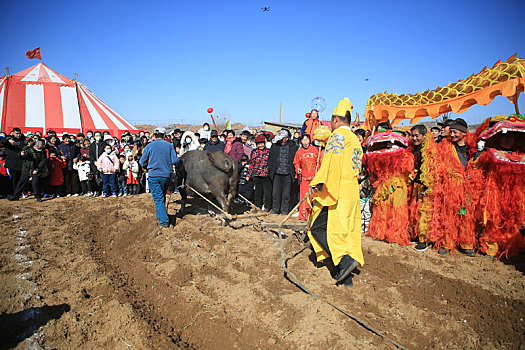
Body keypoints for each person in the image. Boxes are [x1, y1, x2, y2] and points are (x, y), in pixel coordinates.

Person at [307, 97, 363, 286]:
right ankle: (345, 275)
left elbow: (331, 163)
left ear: (336, 120)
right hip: (351, 191)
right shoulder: (355, 139)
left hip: (336, 190)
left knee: (318, 228)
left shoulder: (338, 136)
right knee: (342, 230)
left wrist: (319, 183)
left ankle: (344, 261)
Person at [427, 118, 476, 256]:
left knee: (466, 215)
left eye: (455, 132)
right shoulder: (445, 145)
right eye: (451, 132)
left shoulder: (472, 147)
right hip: (450, 187)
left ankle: (467, 244)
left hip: (467, 188)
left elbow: (478, 165)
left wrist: (472, 174)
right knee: (449, 216)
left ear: (464, 132)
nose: (452, 135)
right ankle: (447, 243)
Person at [139, 127, 179, 228]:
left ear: (154, 136)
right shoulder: (169, 146)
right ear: (164, 135)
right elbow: (175, 160)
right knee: (162, 196)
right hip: (166, 175)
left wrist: (146, 168)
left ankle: (164, 221)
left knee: (158, 198)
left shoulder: (149, 146)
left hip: (154, 175)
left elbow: (142, 161)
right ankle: (160, 215)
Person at [268, 129, 298, 215]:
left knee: (286, 195)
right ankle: (275, 209)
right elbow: (270, 159)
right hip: (277, 173)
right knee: (275, 193)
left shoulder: (293, 147)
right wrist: (271, 171)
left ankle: (284, 210)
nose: (281, 140)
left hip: (288, 174)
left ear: (286, 138)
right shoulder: (275, 146)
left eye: (282, 138)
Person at [293, 134, 319, 221]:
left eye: (307, 140)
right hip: (304, 178)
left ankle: (314, 216)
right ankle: (303, 216)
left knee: (314, 197)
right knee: (304, 197)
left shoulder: (315, 150)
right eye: (303, 140)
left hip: (314, 178)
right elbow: (296, 162)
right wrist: (298, 169)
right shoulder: (299, 152)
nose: (305, 142)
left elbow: (319, 162)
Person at [247, 134, 272, 211]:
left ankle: (267, 207)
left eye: (262, 143)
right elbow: (252, 164)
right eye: (259, 144)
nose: (260, 145)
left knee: (267, 193)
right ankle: (258, 206)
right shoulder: (254, 152)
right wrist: (248, 175)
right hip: (257, 175)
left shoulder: (269, 152)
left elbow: (271, 163)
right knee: (258, 193)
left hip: (266, 175)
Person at [5, 128, 26, 193]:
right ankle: (14, 193)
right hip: (13, 164)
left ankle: (20, 192)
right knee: (14, 179)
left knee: (21, 179)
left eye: (19, 133)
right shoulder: (10, 140)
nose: (18, 135)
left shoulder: (23, 140)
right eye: (16, 133)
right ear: (13, 133)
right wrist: (9, 139)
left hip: (21, 163)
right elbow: (3, 140)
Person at [89, 131, 108, 196]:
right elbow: (91, 154)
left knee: (103, 177)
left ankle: (104, 190)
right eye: (96, 135)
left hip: (103, 163)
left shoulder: (104, 144)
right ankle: (97, 190)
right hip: (94, 164)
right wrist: (94, 161)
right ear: (94, 137)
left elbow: (105, 153)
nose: (98, 137)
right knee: (95, 177)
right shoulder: (92, 145)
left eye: (99, 135)